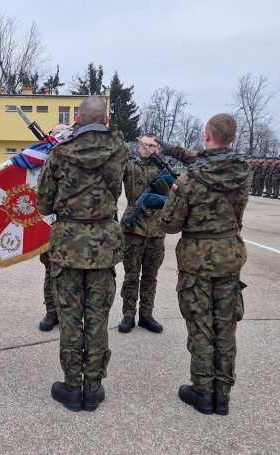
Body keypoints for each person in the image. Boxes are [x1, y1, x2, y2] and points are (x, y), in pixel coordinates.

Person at [149, 113, 250, 416]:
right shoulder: (243, 171)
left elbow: (169, 223)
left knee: (201, 326)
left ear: (207, 135)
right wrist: (169, 148)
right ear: (233, 138)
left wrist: (163, 201)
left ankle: (202, 391)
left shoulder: (190, 179)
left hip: (197, 259)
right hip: (230, 256)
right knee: (226, 326)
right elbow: (205, 158)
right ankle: (223, 394)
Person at [36, 96, 128, 412]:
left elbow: (43, 203)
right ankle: (94, 386)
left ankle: (72, 387)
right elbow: (118, 190)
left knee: (72, 320)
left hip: (67, 246)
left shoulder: (60, 154)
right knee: (98, 320)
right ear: (105, 120)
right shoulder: (120, 150)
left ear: (77, 118)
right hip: (104, 246)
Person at [117, 133, 166, 334]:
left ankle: (146, 315)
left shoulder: (164, 171)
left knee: (150, 276)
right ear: (138, 148)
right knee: (131, 275)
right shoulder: (130, 167)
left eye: (152, 145)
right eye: (143, 145)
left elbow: (174, 194)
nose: (147, 148)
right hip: (133, 227)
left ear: (158, 149)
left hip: (156, 229)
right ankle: (128, 315)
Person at [38, 123, 69, 332]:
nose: (61, 137)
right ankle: (52, 312)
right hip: (47, 225)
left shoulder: (76, 159)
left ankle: (68, 312)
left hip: (71, 228)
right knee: (51, 272)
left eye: (65, 134)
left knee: (71, 274)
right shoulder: (40, 159)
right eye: (57, 133)